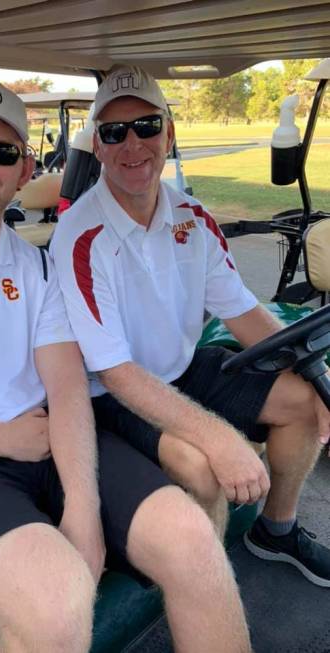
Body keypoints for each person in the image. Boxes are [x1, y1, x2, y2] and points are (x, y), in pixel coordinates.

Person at [0, 79, 253, 653]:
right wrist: (3, 438)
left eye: (3, 153)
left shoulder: (36, 268)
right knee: (58, 603)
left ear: (23, 169)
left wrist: (83, 510)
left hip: (50, 440)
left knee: (193, 541)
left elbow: (65, 388)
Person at [51, 64, 330, 586]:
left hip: (181, 367)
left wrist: (315, 373)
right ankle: (208, 587)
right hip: (114, 393)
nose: (133, 144)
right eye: (115, 133)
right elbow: (113, 372)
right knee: (203, 464)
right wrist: (221, 440)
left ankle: (276, 529)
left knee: (304, 402)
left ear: (169, 133)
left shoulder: (192, 218)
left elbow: (243, 313)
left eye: (147, 127)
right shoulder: (80, 235)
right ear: (99, 147)